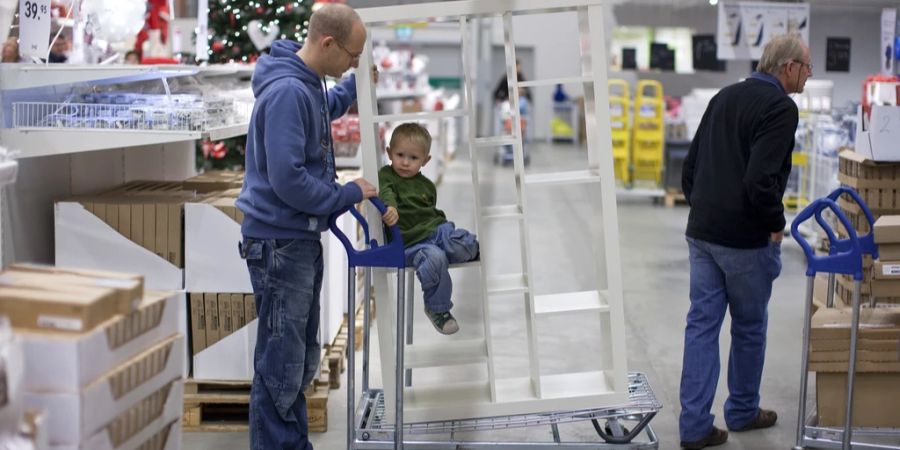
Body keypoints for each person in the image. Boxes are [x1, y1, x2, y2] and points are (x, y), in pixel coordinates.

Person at [235, 4, 380, 449]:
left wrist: (357, 85)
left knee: (296, 359)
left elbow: (323, 107)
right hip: (279, 241)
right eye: (352, 56)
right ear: (327, 43)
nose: (353, 62)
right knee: (281, 361)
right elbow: (288, 179)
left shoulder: (307, 85)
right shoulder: (287, 94)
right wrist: (347, 194)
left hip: (293, 238)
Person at [679, 32, 810, 449]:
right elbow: (759, 179)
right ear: (788, 68)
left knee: (701, 327)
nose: (808, 75)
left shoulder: (724, 97)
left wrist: (705, 209)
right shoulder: (780, 108)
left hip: (702, 233)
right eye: (806, 67)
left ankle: (695, 427)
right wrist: (776, 224)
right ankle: (741, 411)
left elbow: (690, 167)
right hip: (745, 240)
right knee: (750, 327)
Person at [379, 123, 480, 335]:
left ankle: (472, 246)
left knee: (461, 244)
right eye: (400, 155)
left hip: (436, 230)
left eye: (413, 158)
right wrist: (391, 208)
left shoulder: (427, 185)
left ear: (426, 161)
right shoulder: (387, 175)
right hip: (409, 242)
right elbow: (386, 192)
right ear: (389, 153)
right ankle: (438, 309)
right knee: (435, 259)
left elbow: (431, 211)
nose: (405, 162)